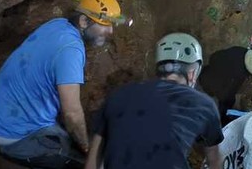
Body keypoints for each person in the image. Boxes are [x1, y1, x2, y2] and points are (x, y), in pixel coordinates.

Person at [0, 0, 128, 168]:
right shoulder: (71, 51)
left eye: (112, 24)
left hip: (6, 112)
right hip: (15, 135)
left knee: (73, 141)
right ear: (84, 21)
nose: (110, 31)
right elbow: (72, 114)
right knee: (92, 164)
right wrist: (86, 148)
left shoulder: (58, 24)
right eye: (105, 23)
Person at [85, 33, 223, 169]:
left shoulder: (118, 95)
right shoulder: (204, 104)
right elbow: (214, 162)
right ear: (193, 73)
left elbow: (92, 162)